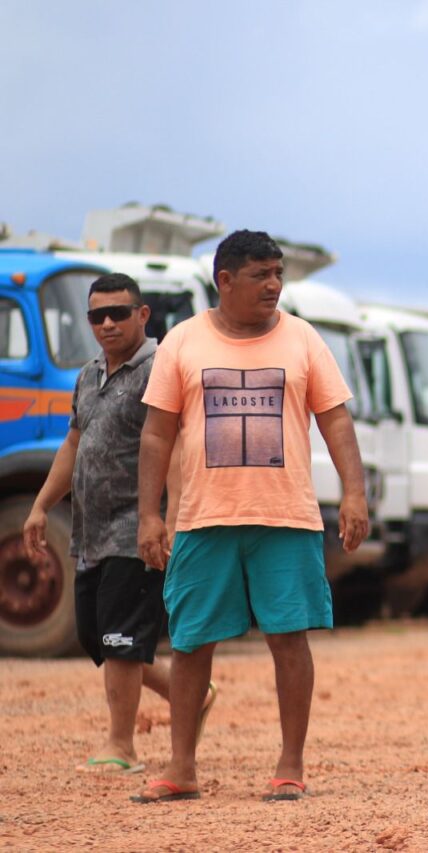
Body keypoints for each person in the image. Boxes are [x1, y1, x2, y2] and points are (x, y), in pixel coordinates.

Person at [129, 230, 369, 804]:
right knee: (191, 642)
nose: (274, 285)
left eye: (278, 274)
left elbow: (336, 420)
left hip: (285, 517)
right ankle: (181, 768)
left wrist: (355, 494)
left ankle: (290, 765)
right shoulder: (183, 342)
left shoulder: (303, 339)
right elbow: (157, 434)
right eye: (261, 275)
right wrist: (149, 516)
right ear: (225, 280)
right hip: (202, 518)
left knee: (289, 638)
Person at [23, 272, 215, 775]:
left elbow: (174, 447)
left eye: (118, 313)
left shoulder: (160, 369)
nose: (107, 324)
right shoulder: (88, 375)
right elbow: (74, 442)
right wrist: (41, 505)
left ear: (142, 314)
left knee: (121, 640)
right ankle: (189, 693)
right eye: (97, 315)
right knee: (95, 636)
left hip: (137, 529)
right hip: (92, 530)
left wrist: (168, 519)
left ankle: (121, 745)